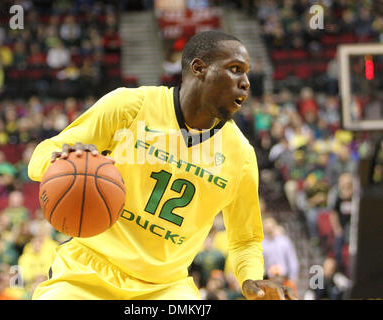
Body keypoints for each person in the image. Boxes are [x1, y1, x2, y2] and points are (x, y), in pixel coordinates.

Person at [28, 30, 297, 300]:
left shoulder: (241, 156)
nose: (246, 82)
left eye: (247, 73)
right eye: (235, 69)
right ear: (199, 68)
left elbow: (246, 239)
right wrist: (64, 160)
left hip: (165, 288)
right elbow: (41, 156)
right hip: (86, 272)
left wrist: (251, 279)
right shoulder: (130, 106)